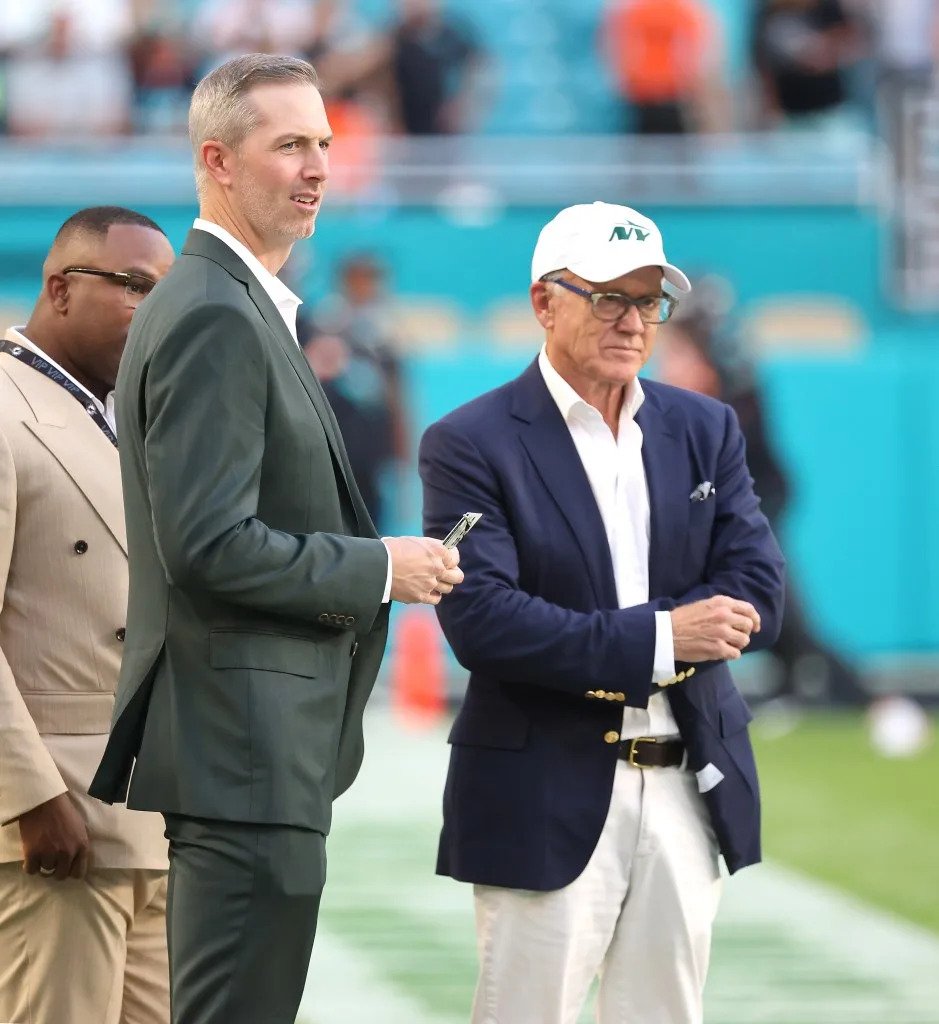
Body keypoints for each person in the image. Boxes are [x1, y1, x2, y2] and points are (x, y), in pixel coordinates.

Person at [89, 53, 463, 1024]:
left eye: (326, 145)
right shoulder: (216, 311)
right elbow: (210, 545)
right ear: (216, 159)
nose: (318, 167)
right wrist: (384, 566)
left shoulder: (238, 306)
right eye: (289, 143)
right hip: (242, 752)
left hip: (256, 752)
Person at [419, 202, 785, 1024]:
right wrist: (663, 635)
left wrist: (660, 638)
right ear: (544, 302)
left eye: (648, 299)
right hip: (540, 785)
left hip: (689, 783)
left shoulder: (704, 425)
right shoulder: (469, 440)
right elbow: (483, 620)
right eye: (606, 296)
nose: (631, 320)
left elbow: (757, 583)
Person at [0, 206, 175, 1024]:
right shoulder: (7, 405)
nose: (153, 311)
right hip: (53, 820)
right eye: (134, 286)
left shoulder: (126, 417)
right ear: (60, 288)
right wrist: (28, 799)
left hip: (152, 815)